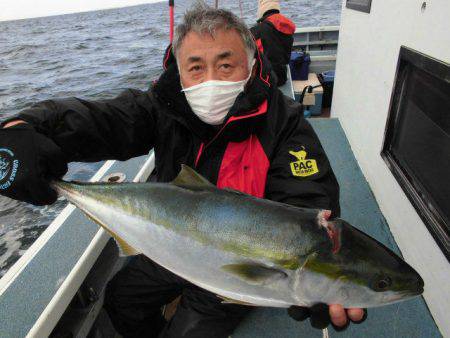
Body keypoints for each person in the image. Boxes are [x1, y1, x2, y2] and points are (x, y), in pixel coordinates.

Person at [0, 2, 365, 337]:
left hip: (244, 260)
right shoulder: (163, 106)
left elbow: (307, 201)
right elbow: (103, 120)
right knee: (121, 300)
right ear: (179, 70)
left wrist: (325, 271)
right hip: (171, 243)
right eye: (195, 67)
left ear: (251, 64)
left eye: (226, 65)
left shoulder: (283, 120)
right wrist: (27, 125)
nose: (211, 80)